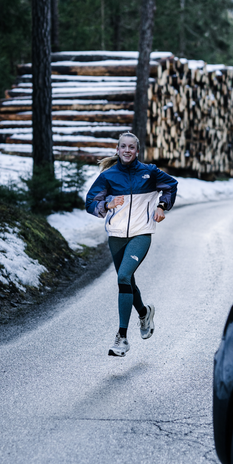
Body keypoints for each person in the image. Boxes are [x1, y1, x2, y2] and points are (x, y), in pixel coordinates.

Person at [85, 132, 178, 357]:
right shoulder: (109, 176)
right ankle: (144, 313)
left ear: (137, 151)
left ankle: (122, 338)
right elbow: (90, 202)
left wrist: (161, 207)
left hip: (141, 233)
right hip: (116, 236)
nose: (127, 150)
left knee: (123, 277)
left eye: (131, 147)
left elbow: (171, 186)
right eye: (123, 147)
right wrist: (107, 203)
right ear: (117, 150)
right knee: (127, 281)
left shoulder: (149, 172)